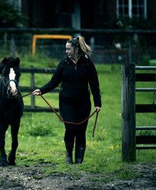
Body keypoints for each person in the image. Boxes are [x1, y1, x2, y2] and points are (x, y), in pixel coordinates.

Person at [32, 36, 101, 164]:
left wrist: (98, 103)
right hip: (66, 102)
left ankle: (79, 160)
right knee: (70, 128)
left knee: (81, 130)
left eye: (68, 49)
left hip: (83, 103)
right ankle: (69, 156)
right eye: (66, 49)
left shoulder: (88, 64)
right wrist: (41, 90)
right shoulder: (64, 63)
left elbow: (94, 85)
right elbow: (54, 81)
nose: (66, 51)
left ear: (76, 49)